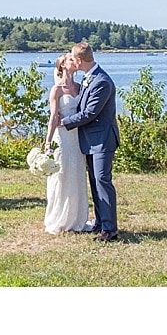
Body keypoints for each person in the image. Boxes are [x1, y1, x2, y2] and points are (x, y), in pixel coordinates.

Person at [61, 42, 120, 242]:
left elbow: (90, 113)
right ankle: (101, 222)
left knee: (103, 181)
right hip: (90, 140)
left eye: (73, 58)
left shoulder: (101, 81)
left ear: (78, 61)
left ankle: (110, 228)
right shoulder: (89, 78)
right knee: (95, 182)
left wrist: (63, 122)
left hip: (102, 140)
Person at [41, 54, 89, 234]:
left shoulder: (80, 87)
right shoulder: (57, 90)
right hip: (61, 138)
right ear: (62, 66)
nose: (73, 60)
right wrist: (48, 142)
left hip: (77, 137)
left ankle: (77, 218)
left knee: (76, 173)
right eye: (69, 59)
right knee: (61, 175)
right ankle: (59, 218)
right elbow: (53, 117)